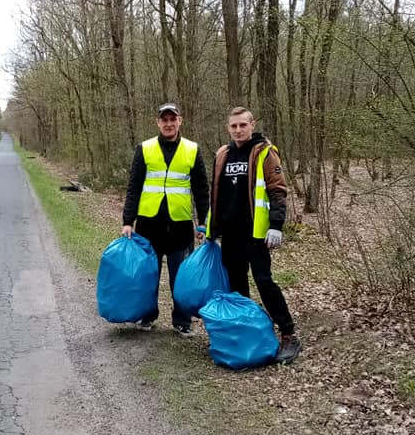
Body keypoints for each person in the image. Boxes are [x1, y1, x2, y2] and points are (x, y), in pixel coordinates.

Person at [208, 106, 302, 363]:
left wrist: (276, 225)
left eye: (243, 125)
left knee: (264, 281)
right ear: (228, 127)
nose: (238, 130)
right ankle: (247, 331)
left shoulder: (264, 152)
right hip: (230, 234)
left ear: (252, 125)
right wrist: (211, 229)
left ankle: (289, 334)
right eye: (233, 126)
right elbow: (215, 194)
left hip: (256, 234)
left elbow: (278, 190)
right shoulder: (222, 154)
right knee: (237, 286)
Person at [122, 102, 209, 336]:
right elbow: (134, 187)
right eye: (164, 120)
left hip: (180, 225)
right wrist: (127, 221)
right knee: (148, 274)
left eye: (173, 119)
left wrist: (203, 222)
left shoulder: (192, 149)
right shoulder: (145, 148)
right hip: (149, 224)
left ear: (180, 120)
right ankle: (147, 316)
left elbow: (201, 190)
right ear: (158, 122)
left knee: (179, 277)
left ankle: (182, 321)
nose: (169, 124)